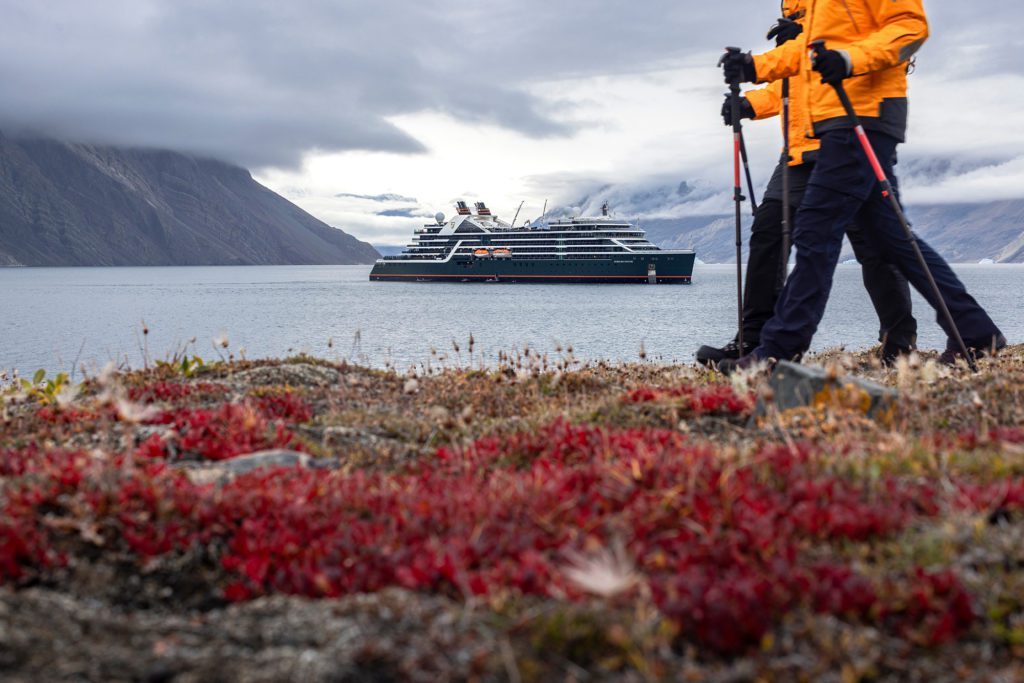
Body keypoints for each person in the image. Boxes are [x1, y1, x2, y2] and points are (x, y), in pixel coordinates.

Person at [717, 0, 1004, 372]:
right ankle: (976, 331)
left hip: (860, 114)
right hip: (837, 120)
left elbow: (910, 28)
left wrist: (849, 59)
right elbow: (810, 56)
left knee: (816, 235)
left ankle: (776, 353)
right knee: (894, 240)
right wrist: (755, 67)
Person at [697, 3, 917, 368]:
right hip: (799, 149)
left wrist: (815, 47)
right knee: (768, 231)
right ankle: (753, 339)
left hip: (848, 137)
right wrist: (750, 103)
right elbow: (794, 84)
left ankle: (899, 344)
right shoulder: (796, 8)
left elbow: (862, 53)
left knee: (875, 244)